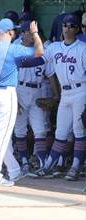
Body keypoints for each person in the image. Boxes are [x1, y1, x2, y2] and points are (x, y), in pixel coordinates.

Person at [0, 18, 44, 186]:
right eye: (13, 30)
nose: (15, 32)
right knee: (2, 136)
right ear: (9, 32)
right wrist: (35, 33)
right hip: (6, 94)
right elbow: (39, 52)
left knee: (0, 135)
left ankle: (13, 170)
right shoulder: (13, 49)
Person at [31, 14, 86, 181]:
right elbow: (39, 58)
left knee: (78, 131)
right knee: (60, 132)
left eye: (71, 26)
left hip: (81, 91)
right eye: (65, 25)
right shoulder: (54, 47)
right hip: (66, 94)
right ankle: (48, 166)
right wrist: (34, 35)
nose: (67, 28)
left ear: (77, 29)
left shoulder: (82, 48)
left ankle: (75, 167)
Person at [13, 21, 56, 175]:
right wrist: (13, 98)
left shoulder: (42, 51)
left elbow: (50, 75)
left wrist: (55, 96)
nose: (32, 35)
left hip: (37, 91)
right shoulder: (16, 50)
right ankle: (24, 161)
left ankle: (43, 161)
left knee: (40, 130)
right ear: (23, 33)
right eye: (30, 32)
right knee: (20, 129)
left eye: (35, 33)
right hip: (20, 90)